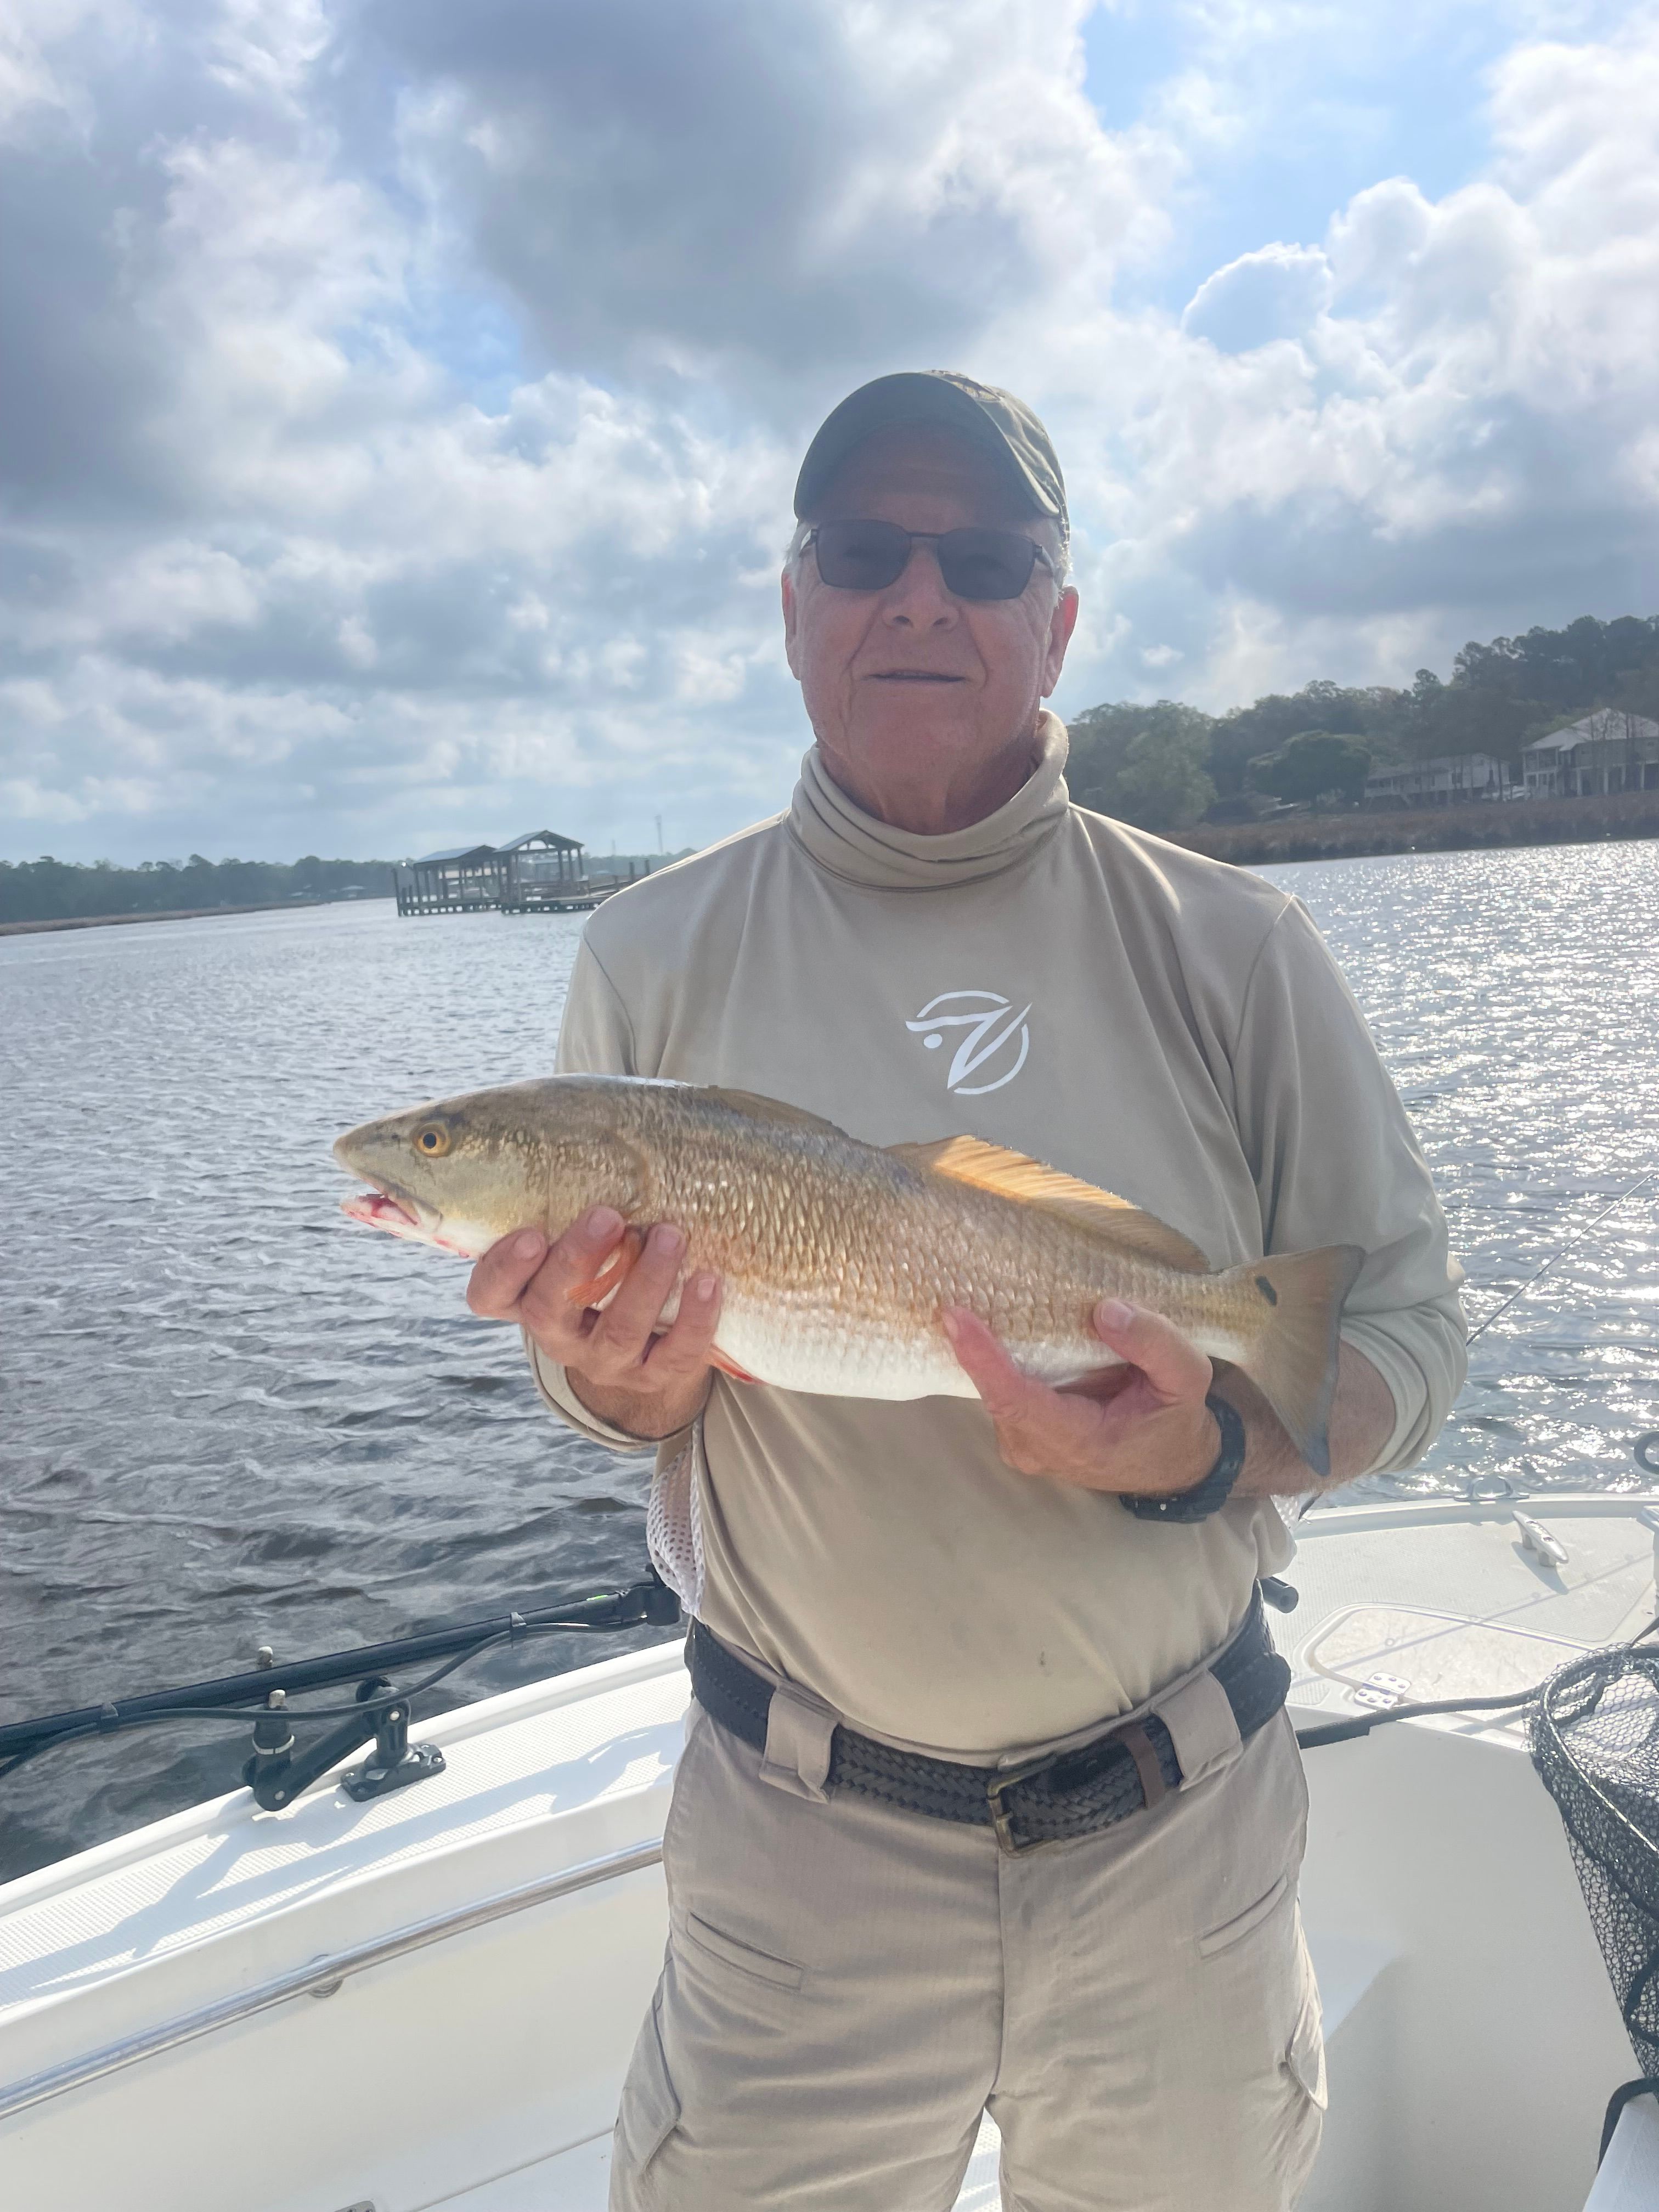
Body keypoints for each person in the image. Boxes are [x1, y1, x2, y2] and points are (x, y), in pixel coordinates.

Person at [466, 371, 1466, 2211]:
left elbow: (1407, 1334)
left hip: (1181, 1842)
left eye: (984, 557)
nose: (920, 594)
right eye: (865, 549)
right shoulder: (646, 951)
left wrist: (1204, 1446)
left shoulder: (1239, 944)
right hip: (797, 1855)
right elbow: (614, 1384)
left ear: (1056, 619)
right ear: (793, 605)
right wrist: (619, 1381)